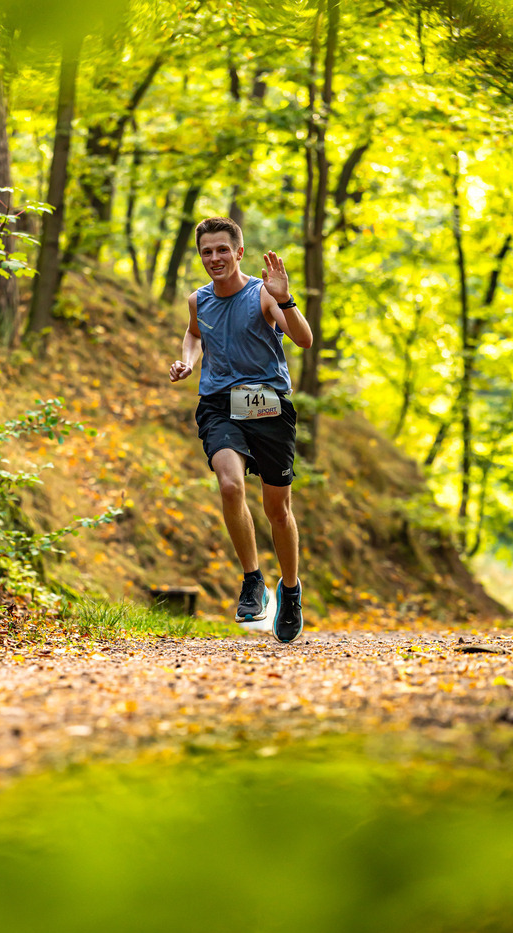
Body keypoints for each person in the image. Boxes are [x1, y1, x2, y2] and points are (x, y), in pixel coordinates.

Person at [169, 216, 313, 643]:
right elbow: (194, 335)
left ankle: (290, 589)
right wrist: (188, 361)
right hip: (218, 405)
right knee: (230, 485)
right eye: (206, 252)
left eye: (222, 250)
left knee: (277, 511)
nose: (214, 258)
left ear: (239, 252)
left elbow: (303, 339)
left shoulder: (263, 295)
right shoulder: (198, 300)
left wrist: (286, 300)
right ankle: (253, 579)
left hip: (268, 406)